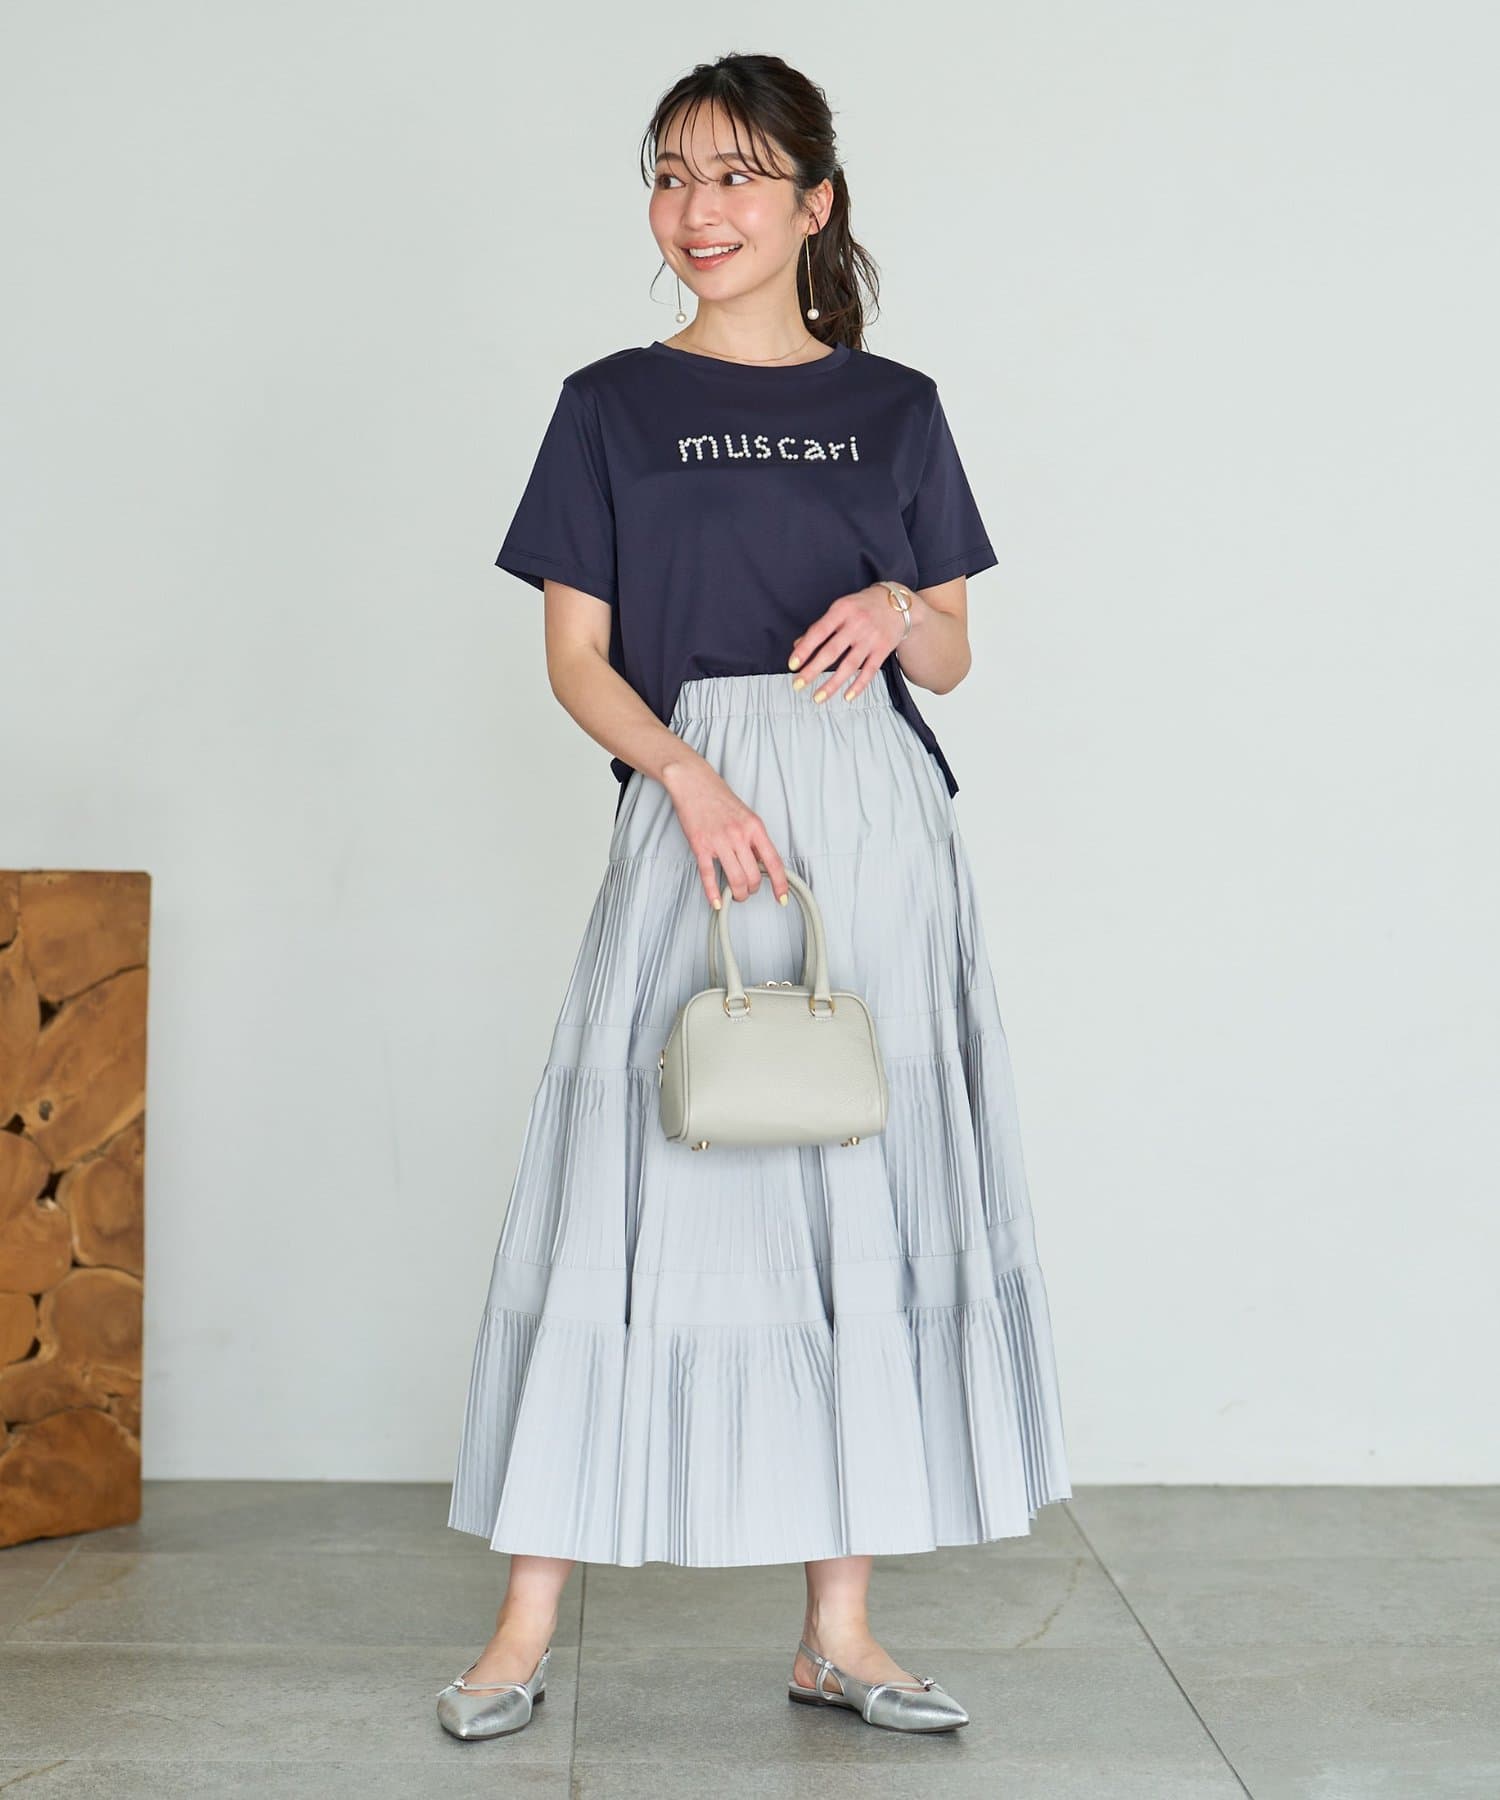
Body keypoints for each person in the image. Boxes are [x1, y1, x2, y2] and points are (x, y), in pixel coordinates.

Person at [437, 51, 1073, 1742]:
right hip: (698, 801)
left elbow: (952, 649)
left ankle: (840, 1631)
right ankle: (519, 1629)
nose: (696, 208)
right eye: (670, 173)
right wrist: (688, 777)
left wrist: (896, 607)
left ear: (814, 202)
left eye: (733, 174)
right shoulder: (607, 404)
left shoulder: (898, 406)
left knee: (850, 1186)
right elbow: (577, 658)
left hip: (873, 821)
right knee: (629, 1179)